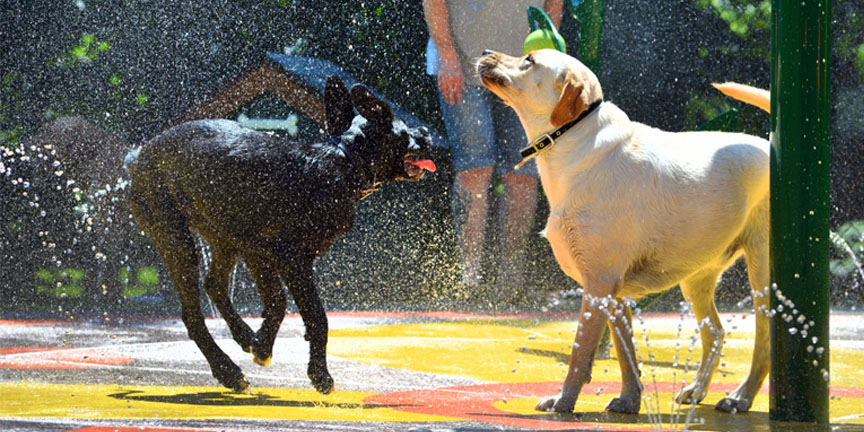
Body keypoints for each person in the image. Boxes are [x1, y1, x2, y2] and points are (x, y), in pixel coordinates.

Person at [423, 0, 563, 301]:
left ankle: (510, 284)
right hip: (461, 64)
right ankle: (469, 281)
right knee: (476, 168)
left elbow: (554, 3)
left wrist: (547, 62)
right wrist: (447, 56)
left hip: (525, 73)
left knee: (523, 173)